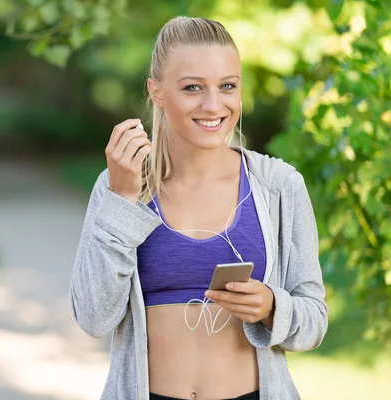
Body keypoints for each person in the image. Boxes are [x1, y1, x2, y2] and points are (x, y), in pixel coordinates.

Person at [69, 16, 328, 400]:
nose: (213, 105)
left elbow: (314, 321)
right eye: (192, 87)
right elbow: (94, 318)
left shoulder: (279, 187)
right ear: (156, 93)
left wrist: (273, 306)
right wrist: (122, 201)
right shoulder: (120, 186)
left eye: (227, 86)